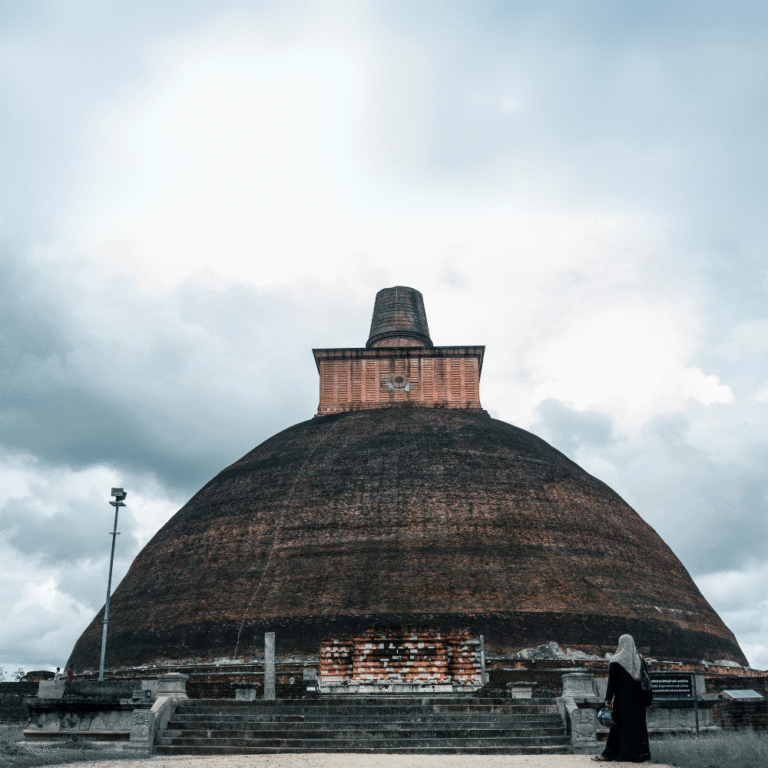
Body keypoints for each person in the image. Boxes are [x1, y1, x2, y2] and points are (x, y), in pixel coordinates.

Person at [594, 634, 651, 763]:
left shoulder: (616, 660)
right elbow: (645, 680)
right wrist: (648, 700)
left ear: (621, 643)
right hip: (639, 702)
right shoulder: (639, 659)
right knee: (637, 729)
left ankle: (610, 754)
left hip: (623, 701)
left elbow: (612, 682)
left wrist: (608, 699)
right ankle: (639, 754)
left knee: (617, 728)